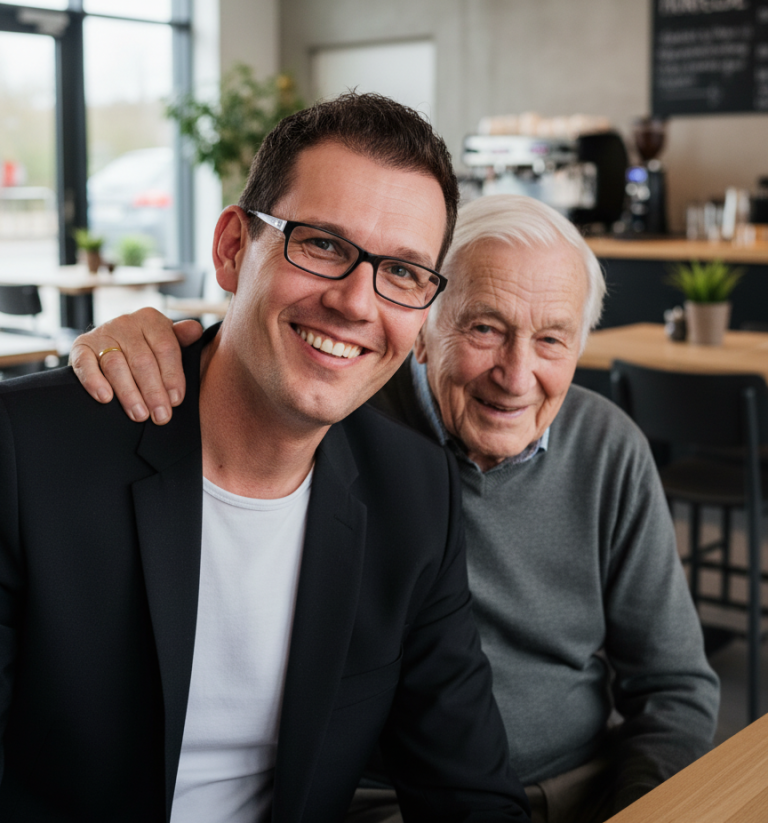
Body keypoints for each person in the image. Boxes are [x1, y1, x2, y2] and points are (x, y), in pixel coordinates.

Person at [73, 194, 720, 823]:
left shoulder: (609, 448)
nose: (516, 375)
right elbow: (247, 363)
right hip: (393, 799)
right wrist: (139, 341)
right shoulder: (335, 420)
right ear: (423, 325)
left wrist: (646, 805)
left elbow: (674, 686)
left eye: (552, 339)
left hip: (592, 786)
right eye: (485, 328)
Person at [0, 95, 532, 822]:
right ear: (232, 249)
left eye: (404, 272)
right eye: (323, 244)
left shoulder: (415, 493)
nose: (356, 303)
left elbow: (467, 790)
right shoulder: (27, 456)